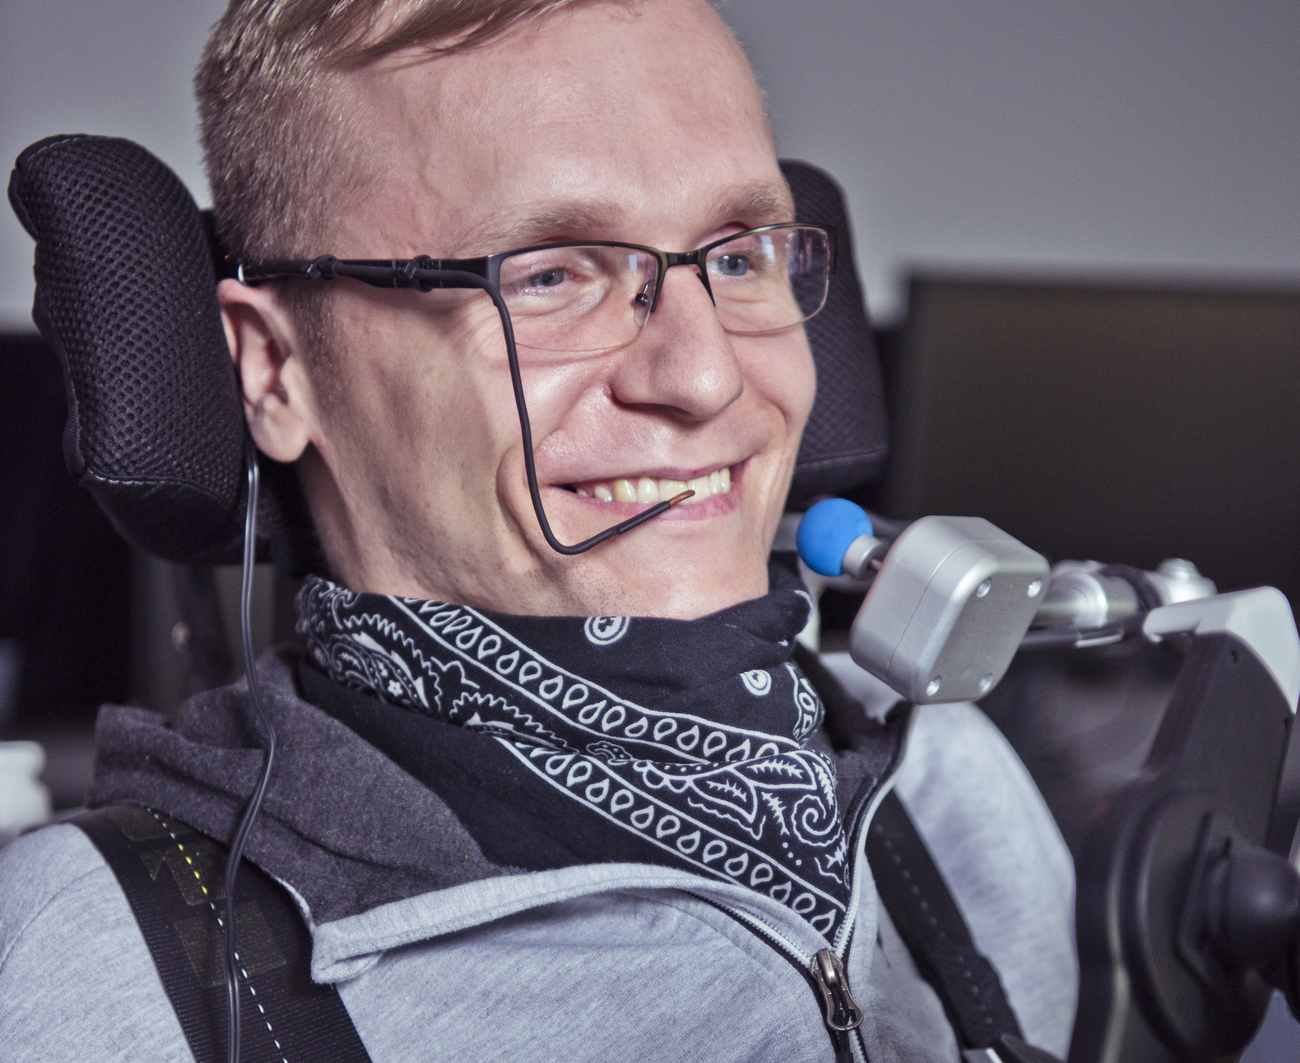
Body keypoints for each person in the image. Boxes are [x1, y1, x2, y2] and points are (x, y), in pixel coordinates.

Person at [0, 1, 1077, 1059]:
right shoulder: (101, 967)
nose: (706, 378)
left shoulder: (945, 793)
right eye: (551, 275)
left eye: (740, 255)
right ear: (274, 370)